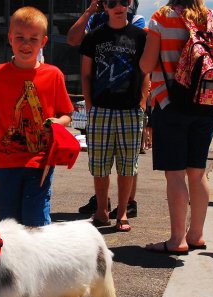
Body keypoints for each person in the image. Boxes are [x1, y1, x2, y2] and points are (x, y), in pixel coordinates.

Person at [0, 7, 73, 228]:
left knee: (36, 217)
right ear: (10, 38)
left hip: (40, 161)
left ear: (43, 41)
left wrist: (58, 122)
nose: (26, 44)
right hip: (6, 161)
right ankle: (10, 262)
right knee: (8, 221)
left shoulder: (54, 75)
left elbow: (67, 114)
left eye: (33, 39)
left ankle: (40, 262)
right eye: (20, 38)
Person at [139, 0, 213, 254]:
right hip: (203, 102)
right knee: (198, 171)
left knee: (175, 174)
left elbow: (147, 64)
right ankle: (196, 234)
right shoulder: (208, 15)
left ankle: (176, 240)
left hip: (170, 102)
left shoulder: (161, 17)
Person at [68, 0, 144, 219]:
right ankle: (101, 206)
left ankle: (125, 208)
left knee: (127, 162)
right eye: (111, 2)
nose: (118, 6)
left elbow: (144, 71)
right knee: (100, 162)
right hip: (101, 105)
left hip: (129, 105)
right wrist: (90, 10)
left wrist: (142, 102)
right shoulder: (94, 28)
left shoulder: (138, 27)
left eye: (123, 1)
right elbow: (76, 46)